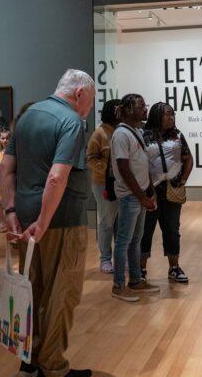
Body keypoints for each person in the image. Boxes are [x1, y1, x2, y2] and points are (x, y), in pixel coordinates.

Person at [0, 70, 95, 377]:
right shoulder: (71, 122)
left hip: (25, 216)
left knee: (34, 289)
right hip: (60, 220)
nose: (89, 108)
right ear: (79, 93)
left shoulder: (27, 117)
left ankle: (31, 359)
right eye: (91, 100)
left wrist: (10, 210)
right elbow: (57, 176)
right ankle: (54, 366)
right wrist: (43, 221)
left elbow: (5, 168)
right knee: (62, 291)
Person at [109, 93, 159, 302]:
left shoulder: (136, 131)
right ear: (129, 109)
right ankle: (119, 285)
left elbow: (142, 163)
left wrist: (149, 189)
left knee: (135, 240)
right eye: (141, 106)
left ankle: (136, 280)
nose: (145, 109)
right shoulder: (121, 134)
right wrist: (142, 195)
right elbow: (124, 168)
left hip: (139, 194)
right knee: (123, 241)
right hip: (130, 196)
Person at [140, 102, 193, 283]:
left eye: (172, 114)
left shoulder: (177, 135)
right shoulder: (142, 136)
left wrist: (183, 179)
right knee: (145, 230)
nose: (171, 117)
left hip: (172, 189)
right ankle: (141, 269)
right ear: (156, 116)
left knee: (172, 229)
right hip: (150, 190)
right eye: (167, 114)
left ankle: (174, 268)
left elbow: (187, 158)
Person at [86, 98, 121, 274]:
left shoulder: (122, 131)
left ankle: (120, 258)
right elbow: (91, 157)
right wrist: (107, 170)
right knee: (106, 221)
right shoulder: (99, 133)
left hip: (122, 184)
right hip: (102, 184)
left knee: (119, 222)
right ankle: (105, 259)